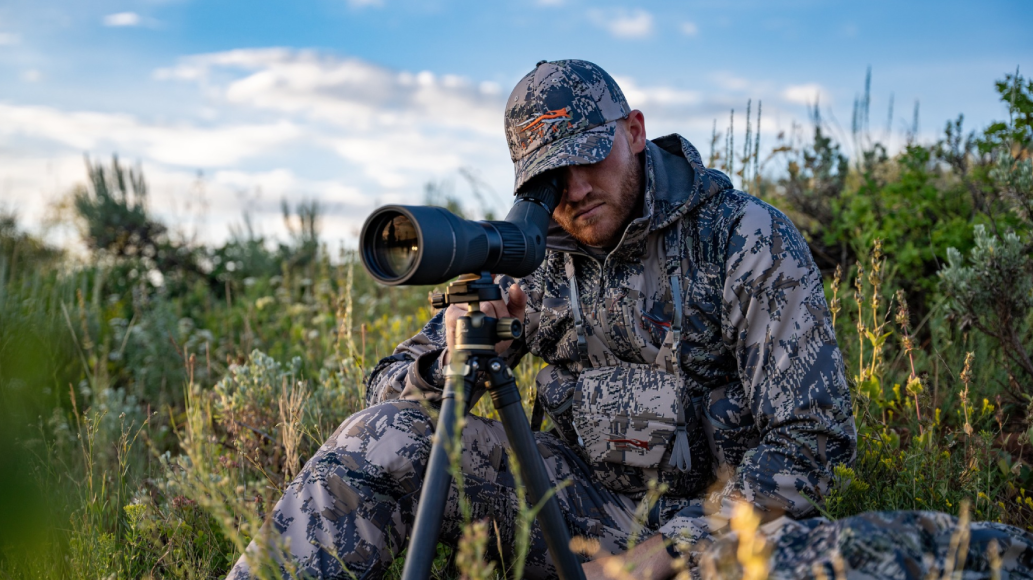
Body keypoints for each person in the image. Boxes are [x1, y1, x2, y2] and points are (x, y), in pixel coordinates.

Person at [228, 60, 1033, 580]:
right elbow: (386, 396)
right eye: (549, 175)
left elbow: (808, 443)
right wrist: (455, 358)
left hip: (717, 540)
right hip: (571, 513)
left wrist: (667, 553)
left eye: (589, 156)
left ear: (635, 132)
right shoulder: (530, 251)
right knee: (382, 438)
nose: (573, 189)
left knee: (903, 561)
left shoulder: (741, 239)